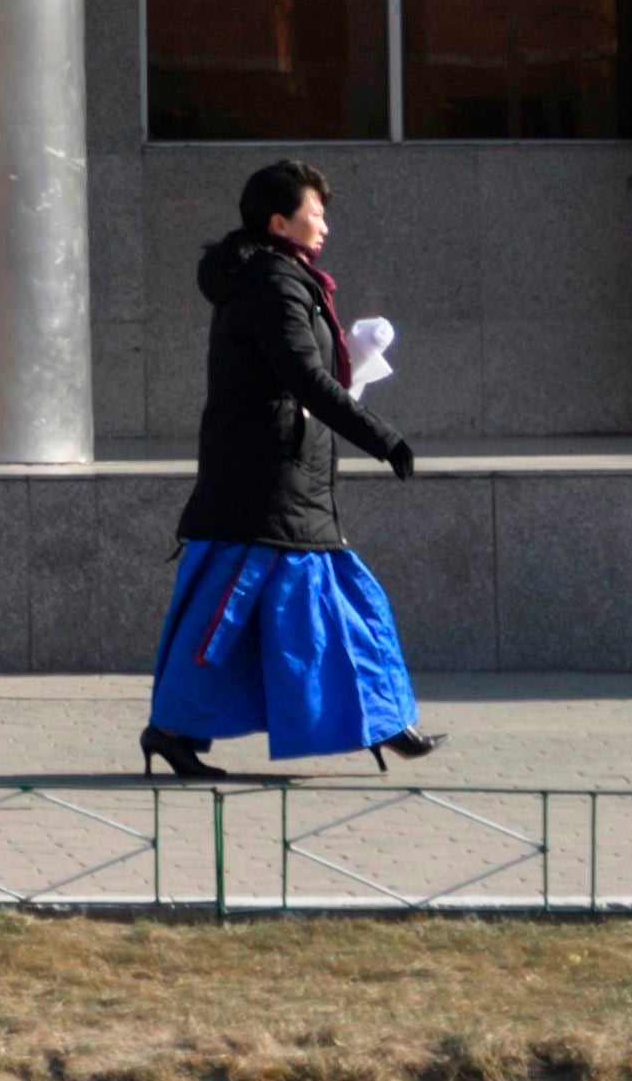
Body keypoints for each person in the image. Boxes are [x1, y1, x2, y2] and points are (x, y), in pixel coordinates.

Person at [142, 157, 443, 780]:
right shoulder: (273, 284)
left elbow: (305, 370)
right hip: (263, 476)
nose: (325, 225)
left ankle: (385, 721)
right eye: (315, 213)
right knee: (235, 615)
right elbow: (301, 375)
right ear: (280, 221)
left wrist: (352, 363)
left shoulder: (278, 278)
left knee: (319, 604)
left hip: (280, 473)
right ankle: (172, 729)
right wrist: (384, 439)